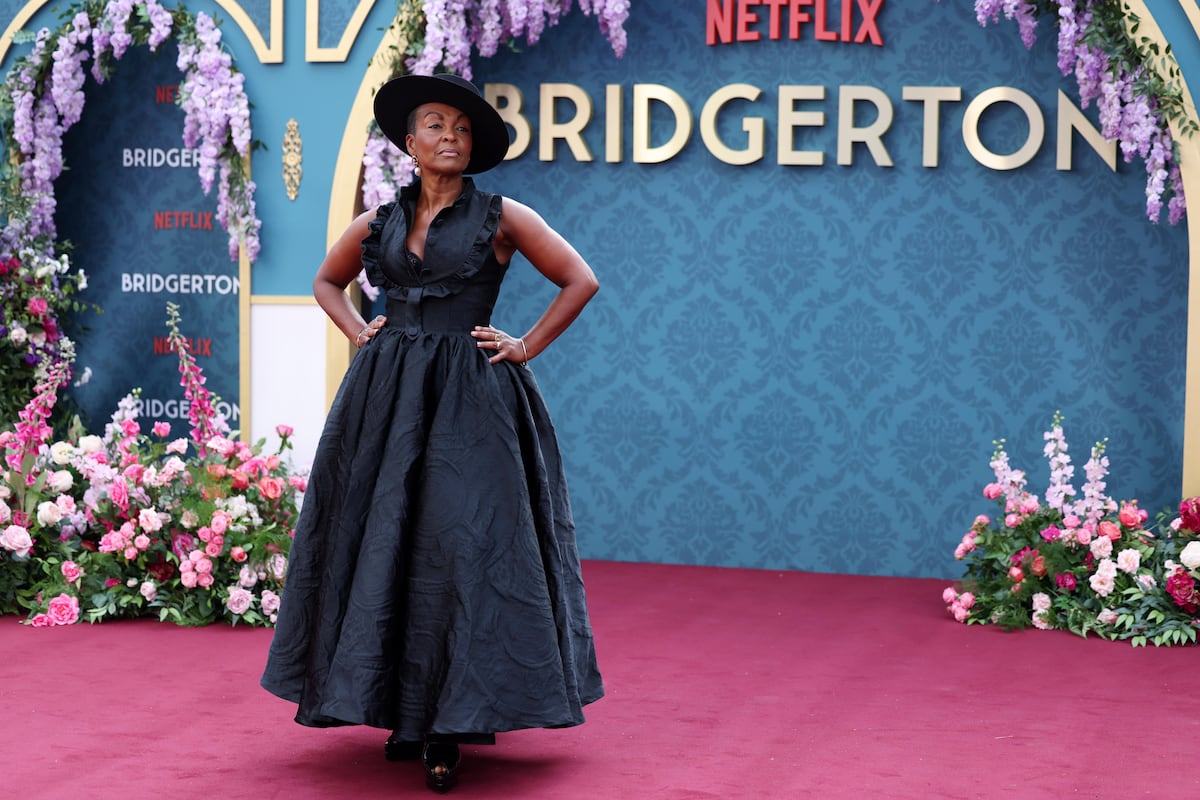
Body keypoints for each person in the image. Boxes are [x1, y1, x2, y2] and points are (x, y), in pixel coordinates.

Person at [260, 73, 604, 794]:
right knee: (388, 540)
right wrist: (361, 331)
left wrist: (525, 345)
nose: (452, 137)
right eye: (437, 126)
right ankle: (403, 713)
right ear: (408, 143)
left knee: (459, 547)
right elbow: (326, 281)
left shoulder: (504, 216)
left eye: (464, 130)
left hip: (472, 405)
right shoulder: (379, 220)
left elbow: (580, 279)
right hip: (384, 402)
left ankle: (448, 724)